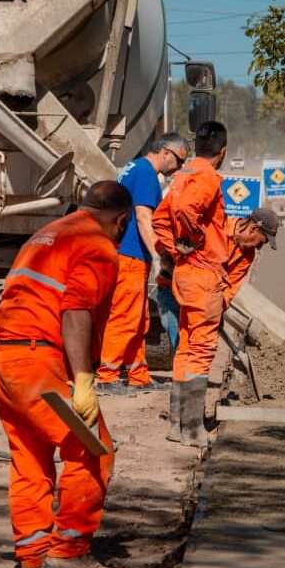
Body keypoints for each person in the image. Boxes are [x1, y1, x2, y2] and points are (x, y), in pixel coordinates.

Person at [0, 181, 133, 568]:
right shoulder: (97, 246)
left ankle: (32, 560)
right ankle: (69, 552)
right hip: (35, 360)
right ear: (121, 221)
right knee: (92, 450)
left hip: (1, 359)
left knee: (30, 459)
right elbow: (76, 310)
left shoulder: (49, 233)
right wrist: (84, 380)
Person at [152, 121, 230, 447]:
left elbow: (159, 219)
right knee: (201, 349)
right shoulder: (208, 177)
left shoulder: (181, 176)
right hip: (203, 272)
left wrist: (176, 249)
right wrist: (192, 240)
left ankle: (177, 424)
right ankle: (194, 429)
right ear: (222, 152)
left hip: (184, 273)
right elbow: (186, 209)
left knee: (185, 346)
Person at [96, 133, 190, 394]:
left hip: (128, 253)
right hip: (131, 255)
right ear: (167, 153)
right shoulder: (147, 173)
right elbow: (143, 216)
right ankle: (107, 376)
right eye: (180, 161)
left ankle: (138, 374)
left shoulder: (133, 168)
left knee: (138, 318)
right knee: (125, 316)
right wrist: (159, 254)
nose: (179, 168)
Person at [222, 208, 279, 307]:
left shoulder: (248, 255)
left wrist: (218, 309)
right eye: (261, 242)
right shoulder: (219, 227)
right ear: (253, 228)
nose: (259, 247)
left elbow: (230, 288)